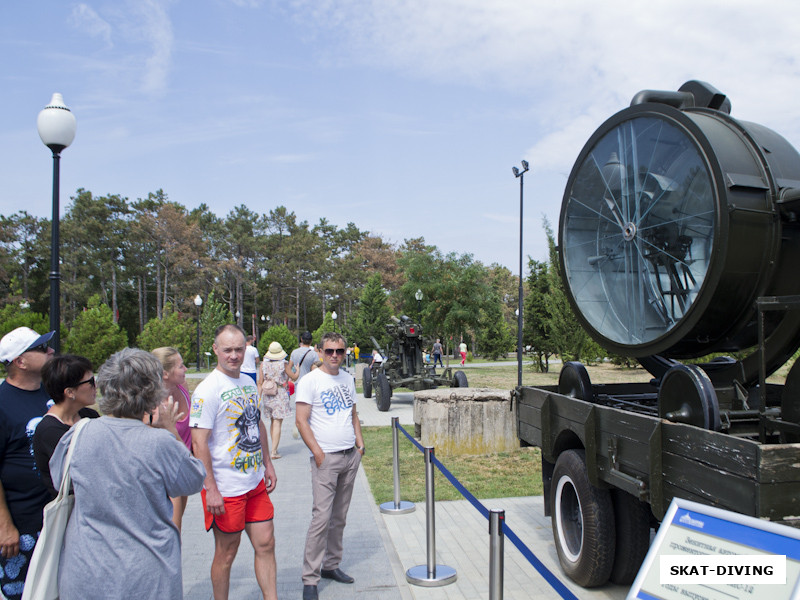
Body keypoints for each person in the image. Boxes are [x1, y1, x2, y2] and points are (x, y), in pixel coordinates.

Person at [49, 348, 205, 600]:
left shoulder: (78, 434)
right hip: (144, 575)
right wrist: (170, 430)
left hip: (85, 570)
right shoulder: (158, 443)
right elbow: (193, 479)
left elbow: (60, 479)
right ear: (151, 391)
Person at [190, 324, 278, 600]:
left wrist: (268, 462)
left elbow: (257, 422)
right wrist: (211, 489)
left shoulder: (249, 382)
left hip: (254, 482)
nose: (234, 355)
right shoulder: (207, 390)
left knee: (266, 543)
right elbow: (198, 442)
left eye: (239, 349)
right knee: (227, 552)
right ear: (215, 349)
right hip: (226, 488)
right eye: (227, 350)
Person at [295, 332, 365, 600]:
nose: (335, 356)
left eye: (339, 351)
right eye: (329, 351)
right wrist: (318, 453)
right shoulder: (310, 381)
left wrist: (360, 445)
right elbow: (302, 421)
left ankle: (331, 565)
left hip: (350, 456)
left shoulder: (348, 379)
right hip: (326, 459)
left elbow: (353, 414)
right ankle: (310, 578)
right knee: (321, 518)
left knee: (340, 517)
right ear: (320, 352)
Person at [0, 326, 54, 600]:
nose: (51, 351)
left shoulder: (51, 393)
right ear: (20, 361)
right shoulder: (2, 403)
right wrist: (4, 525)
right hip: (21, 525)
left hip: (55, 515)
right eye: (42, 348)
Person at [34, 354, 100, 500]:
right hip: (73, 512)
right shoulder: (50, 431)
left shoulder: (89, 415)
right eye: (90, 382)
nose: (96, 386)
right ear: (70, 392)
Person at [152, 346, 193, 531]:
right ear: (165, 373)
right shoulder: (153, 403)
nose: (185, 369)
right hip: (166, 472)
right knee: (172, 530)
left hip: (183, 467)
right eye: (181, 366)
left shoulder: (181, 387)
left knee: (176, 527)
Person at [258, 341, 291, 459]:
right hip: (279, 393)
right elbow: (293, 376)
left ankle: (273, 447)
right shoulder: (284, 364)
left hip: (267, 394)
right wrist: (296, 370)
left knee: (272, 422)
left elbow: (260, 382)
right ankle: (273, 451)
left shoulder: (263, 365)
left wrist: (258, 397)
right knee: (277, 422)